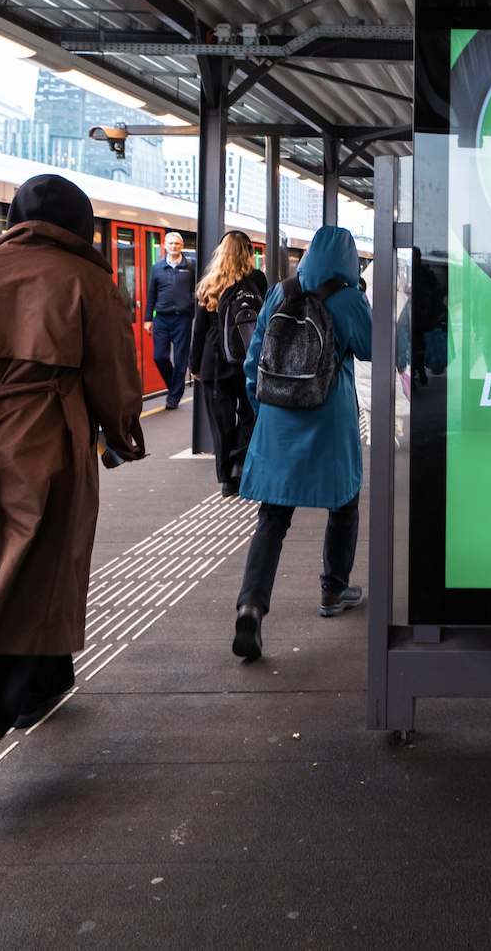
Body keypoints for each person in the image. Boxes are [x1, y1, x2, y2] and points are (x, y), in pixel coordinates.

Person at [0, 173, 146, 815]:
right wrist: (123, 433)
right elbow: (114, 379)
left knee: (1, 571)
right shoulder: (88, 280)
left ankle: (44, 681)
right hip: (50, 446)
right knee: (28, 581)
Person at [232, 226, 371, 662]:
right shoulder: (348, 299)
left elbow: (254, 360)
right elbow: (371, 348)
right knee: (343, 502)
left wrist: (266, 408)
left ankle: (251, 604)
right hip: (328, 421)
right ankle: (334, 589)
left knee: (272, 517)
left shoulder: (279, 292)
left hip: (278, 420)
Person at [187, 231, 264, 497]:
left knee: (220, 422)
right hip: (247, 359)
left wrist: (194, 364)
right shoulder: (257, 279)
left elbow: (200, 330)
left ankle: (226, 480)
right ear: (248, 252)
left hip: (215, 362)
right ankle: (239, 464)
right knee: (250, 413)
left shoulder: (210, 282)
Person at [144, 230, 196, 410]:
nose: (173, 246)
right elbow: (152, 294)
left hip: (182, 318)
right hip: (162, 319)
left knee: (181, 360)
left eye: (177, 243)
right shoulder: (157, 267)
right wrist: (148, 318)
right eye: (170, 243)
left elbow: (198, 288)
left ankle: (173, 398)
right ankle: (174, 385)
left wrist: (190, 302)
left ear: (182, 246)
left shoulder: (191, 265)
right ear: (165, 245)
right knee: (159, 357)